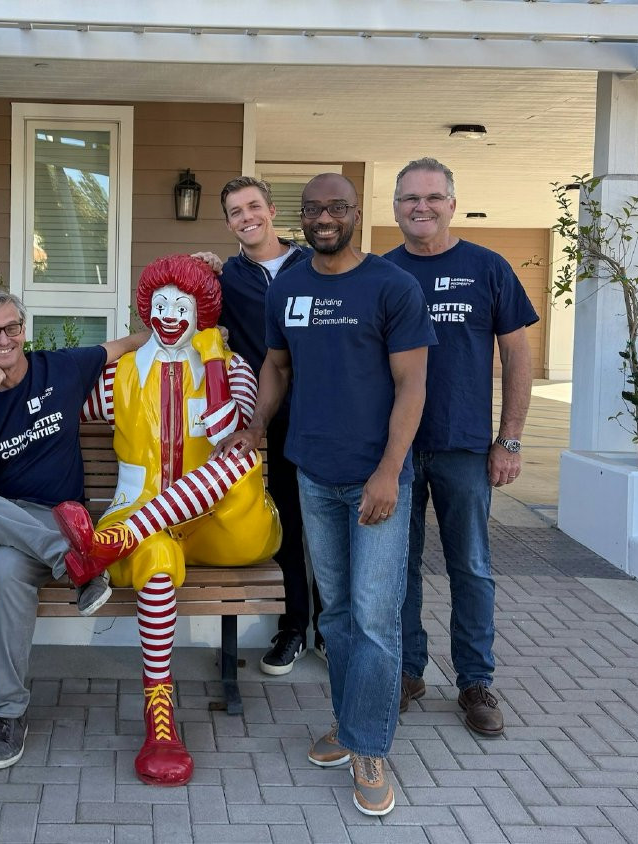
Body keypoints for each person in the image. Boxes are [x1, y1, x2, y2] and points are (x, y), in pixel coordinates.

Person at [218, 173, 435, 818]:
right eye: (312, 209)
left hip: (377, 479)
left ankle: (371, 747)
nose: (324, 218)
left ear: (356, 212)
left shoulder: (392, 286)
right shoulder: (289, 284)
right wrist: (254, 428)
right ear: (302, 217)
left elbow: (413, 385)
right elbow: (276, 367)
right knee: (335, 614)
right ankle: (348, 724)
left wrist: (390, 470)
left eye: (336, 207)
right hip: (314, 473)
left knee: (373, 616)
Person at [52, 254, 281, 786]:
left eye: (183, 305)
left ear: (202, 310)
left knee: (243, 454)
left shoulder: (236, 368)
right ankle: (161, 720)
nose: (171, 314)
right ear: (145, 310)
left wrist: (214, 357)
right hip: (148, 517)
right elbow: (50, 403)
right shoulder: (120, 375)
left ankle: (110, 542)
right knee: (155, 556)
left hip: (229, 526)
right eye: (161, 304)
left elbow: (231, 431)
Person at [0, 289, 146, 771]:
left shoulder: (61, 368)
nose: (3, 339)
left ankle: (6, 716)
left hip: (42, 523)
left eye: (11, 327)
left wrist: (187, 334)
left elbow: (124, 345)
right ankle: (75, 562)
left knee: (9, 568)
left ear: (24, 330)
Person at [382, 157, 539, 737]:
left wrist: (510, 438)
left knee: (470, 567)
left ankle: (475, 680)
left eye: (431, 197)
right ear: (395, 208)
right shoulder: (380, 272)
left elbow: (517, 357)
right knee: (398, 567)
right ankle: (406, 670)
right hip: (394, 451)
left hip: (465, 448)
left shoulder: (487, 268)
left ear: (452, 203)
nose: (420, 207)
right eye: (408, 199)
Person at [191, 176, 323, 675]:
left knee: (326, 526)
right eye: (235, 212)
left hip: (321, 414)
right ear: (228, 222)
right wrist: (201, 272)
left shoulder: (313, 263)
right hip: (264, 421)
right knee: (287, 523)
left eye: (253, 206)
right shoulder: (228, 279)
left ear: (271, 210)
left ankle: (330, 631)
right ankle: (292, 627)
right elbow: (184, 311)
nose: (246, 217)